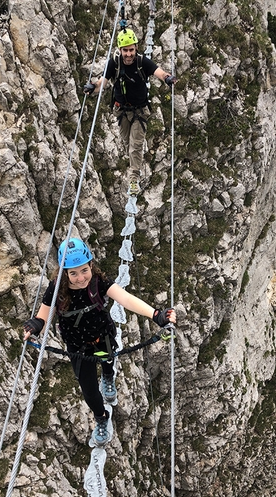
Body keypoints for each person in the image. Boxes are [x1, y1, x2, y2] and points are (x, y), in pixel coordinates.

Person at [23, 238, 176, 446]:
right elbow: (43, 317)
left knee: (107, 361)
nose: (80, 278)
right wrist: (34, 326)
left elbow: (125, 298)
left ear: (91, 266)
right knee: (89, 391)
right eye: (73, 273)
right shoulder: (56, 289)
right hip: (78, 349)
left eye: (84, 270)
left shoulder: (98, 281)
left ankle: (107, 376)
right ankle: (102, 418)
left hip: (102, 338)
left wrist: (156, 314)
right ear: (64, 273)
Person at [84, 28, 176, 195]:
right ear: (120, 50)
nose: (128, 54)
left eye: (131, 50)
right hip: (121, 111)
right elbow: (102, 83)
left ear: (136, 48)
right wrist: (92, 87)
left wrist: (168, 78)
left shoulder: (142, 62)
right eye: (125, 50)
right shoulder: (114, 63)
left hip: (140, 112)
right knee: (128, 144)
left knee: (135, 147)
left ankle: (133, 180)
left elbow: (159, 72)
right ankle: (136, 161)